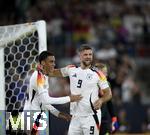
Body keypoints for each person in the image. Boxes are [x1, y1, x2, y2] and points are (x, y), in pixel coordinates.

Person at [48, 45, 112, 135]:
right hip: (75, 117)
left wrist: (101, 100)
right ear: (80, 56)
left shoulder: (98, 74)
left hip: (91, 116)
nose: (88, 57)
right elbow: (53, 72)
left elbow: (108, 93)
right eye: (85, 54)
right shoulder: (71, 69)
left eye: (90, 54)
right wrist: (43, 68)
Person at [23, 51, 82, 134]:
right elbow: (46, 100)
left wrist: (58, 113)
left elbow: (43, 101)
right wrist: (69, 98)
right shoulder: (38, 77)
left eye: (54, 62)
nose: (54, 64)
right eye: (51, 61)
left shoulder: (44, 76)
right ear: (43, 62)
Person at [95, 62, 119, 135]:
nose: (107, 75)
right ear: (97, 74)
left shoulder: (107, 84)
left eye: (106, 72)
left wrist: (114, 118)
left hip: (104, 120)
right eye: (104, 73)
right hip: (92, 120)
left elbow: (109, 101)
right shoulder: (90, 85)